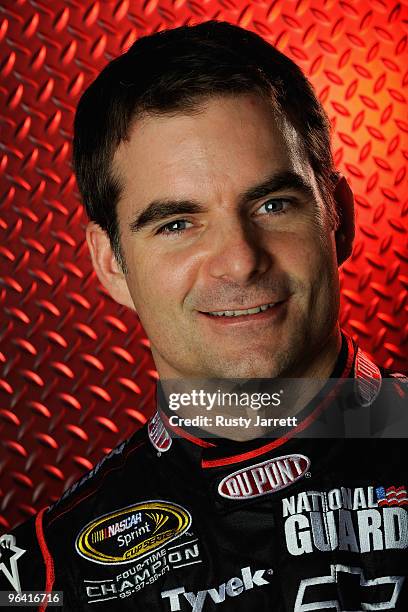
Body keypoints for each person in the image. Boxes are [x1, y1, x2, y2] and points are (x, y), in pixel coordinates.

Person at [0, 20, 406, 611]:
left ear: (337, 216)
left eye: (273, 204)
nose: (239, 262)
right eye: (177, 224)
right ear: (111, 263)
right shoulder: (40, 575)